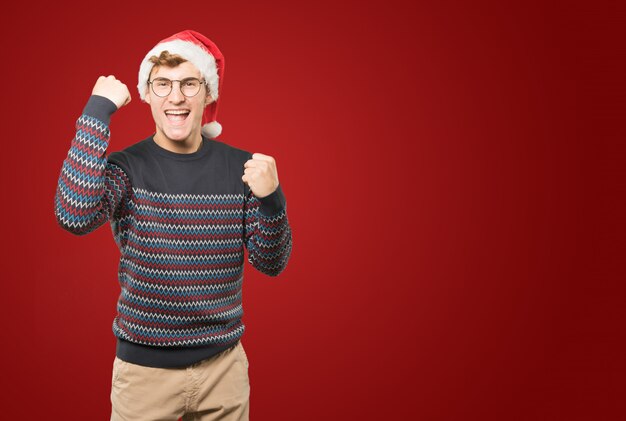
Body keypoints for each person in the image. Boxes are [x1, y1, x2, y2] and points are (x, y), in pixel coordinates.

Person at [53, 29, 293, 421]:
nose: (176, 97)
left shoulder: (241, 167)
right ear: (147, 93)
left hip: (224, 369)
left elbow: (272, 262)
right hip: (144, 374)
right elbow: (74, 215)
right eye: (162, 84)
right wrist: (97, 109)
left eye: (188, 83)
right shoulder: (125, 169)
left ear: (208, 93)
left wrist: (272, 199)